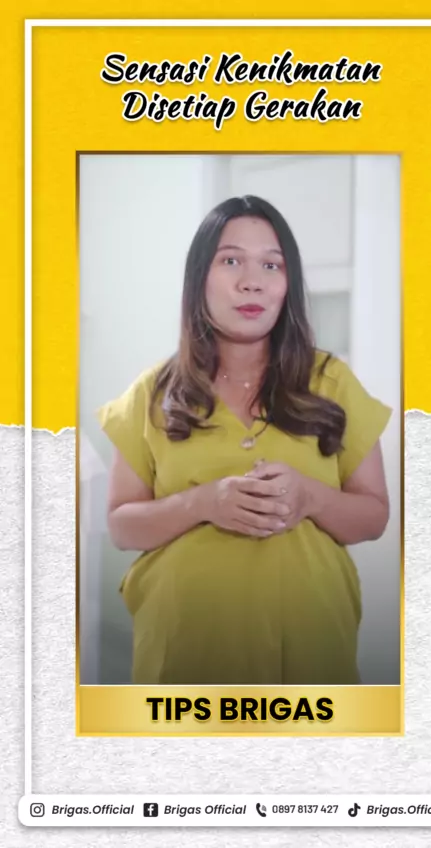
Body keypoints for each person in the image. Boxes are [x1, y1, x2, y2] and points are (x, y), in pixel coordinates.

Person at [98, 194, 392, 686]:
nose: (252, 281)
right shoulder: (151, 394)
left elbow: (374, 516)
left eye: (271, 264)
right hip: (183, 660)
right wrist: (202, 503)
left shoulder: (332, 382)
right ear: (199, 278)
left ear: (287, 284)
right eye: (231, 260)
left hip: (313, 661)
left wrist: (310, 497)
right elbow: (122, 527)